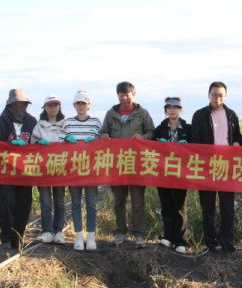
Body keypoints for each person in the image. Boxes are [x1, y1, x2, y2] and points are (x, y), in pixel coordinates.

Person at [100, 81, 155, 249]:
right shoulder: (111, 114)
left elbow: (151, 132)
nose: (124, 98)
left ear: (134, 95)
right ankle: (121, 232)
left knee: (138, 201)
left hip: (136, 164)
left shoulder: (142, 113)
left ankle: (139, 234)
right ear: (118, 96)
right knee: (119, 200)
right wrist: (104, 136)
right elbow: (103, 131)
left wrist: (142, 138)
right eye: (121, 95)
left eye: (127, 95)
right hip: (116, 164)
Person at [191, 81, 242, 254]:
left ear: (225, 96)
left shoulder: (231, 115)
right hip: (206, 166)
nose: (217, 98)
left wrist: (237, 142)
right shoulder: (199, 115)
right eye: (214, 95)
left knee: (227, 207)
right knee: (208, 208)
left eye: (221, 95)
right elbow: (194, 141)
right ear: (208, 95)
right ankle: (210, 243)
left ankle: (227, 242)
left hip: (226, 166)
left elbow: (237, 136)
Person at [0, 89, 38, 250]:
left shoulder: (31, 121)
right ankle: (6, 238)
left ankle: (18, 236)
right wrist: (9, 144)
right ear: (9, 106)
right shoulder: (2, 122)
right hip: (6, 172)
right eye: (15, 105)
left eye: (22, 105)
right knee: (6, 203)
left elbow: (37, 141)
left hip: (25, 171)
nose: (19, 108)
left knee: (23, 204)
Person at [59, 90, 101, 250]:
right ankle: (78, 234)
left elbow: (102, 143)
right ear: (74, 105)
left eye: (84, 103)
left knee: (91, 203)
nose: (81, 106)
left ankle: (91, 235)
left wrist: (94, 141)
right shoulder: (67, 123)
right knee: (75, 203)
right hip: (74, 170)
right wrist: (66, 140)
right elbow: (60, 142)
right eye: (78, 104)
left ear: (88, 105)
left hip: (90, 170)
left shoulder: (96, 122)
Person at [154, 97, 191, 254]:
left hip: (182, 173)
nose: (172, 110)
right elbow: (151, 147)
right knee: (166, 205)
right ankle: (168, 236)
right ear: (166, 110)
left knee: (180, 206)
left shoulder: (188, 129)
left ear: (180, 109)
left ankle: (180, 240)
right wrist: (158, 142)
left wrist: (187, 144)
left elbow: (196, 147)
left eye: (175, 107)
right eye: (169, 107)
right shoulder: (160, 129)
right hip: (163, 172)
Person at [31, 95, 66, 245]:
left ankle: (58, 231)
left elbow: (72, 143)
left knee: (60, 202)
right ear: (45, 108)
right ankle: (47, 231)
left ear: (59, 107)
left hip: (60, 168)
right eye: (50, 106)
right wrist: (38, 142)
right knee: (45, 202)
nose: (53, 108)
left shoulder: (65, 124)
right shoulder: (39, 126)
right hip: (43, 169)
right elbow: (32, 143)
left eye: (55, 105)